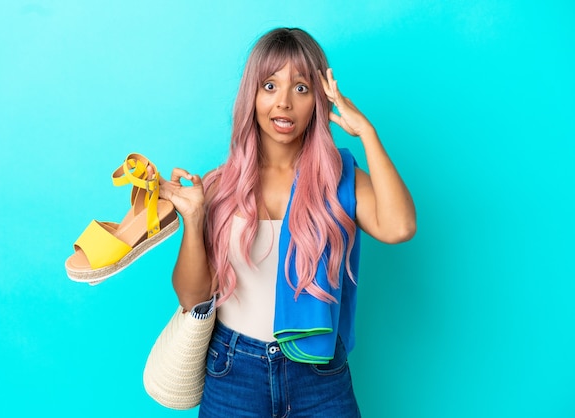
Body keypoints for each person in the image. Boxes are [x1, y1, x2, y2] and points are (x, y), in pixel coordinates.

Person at [158, 27, 416, 417]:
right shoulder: (219, 185)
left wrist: (367, 133)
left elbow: (399, 227)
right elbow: (193, 300)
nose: (284, 103)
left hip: (319, 375)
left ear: (318, 99)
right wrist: (194, 220)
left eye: (300, 88)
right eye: (269, 86)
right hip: (233, 370)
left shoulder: (340, 176)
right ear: (252, 96)